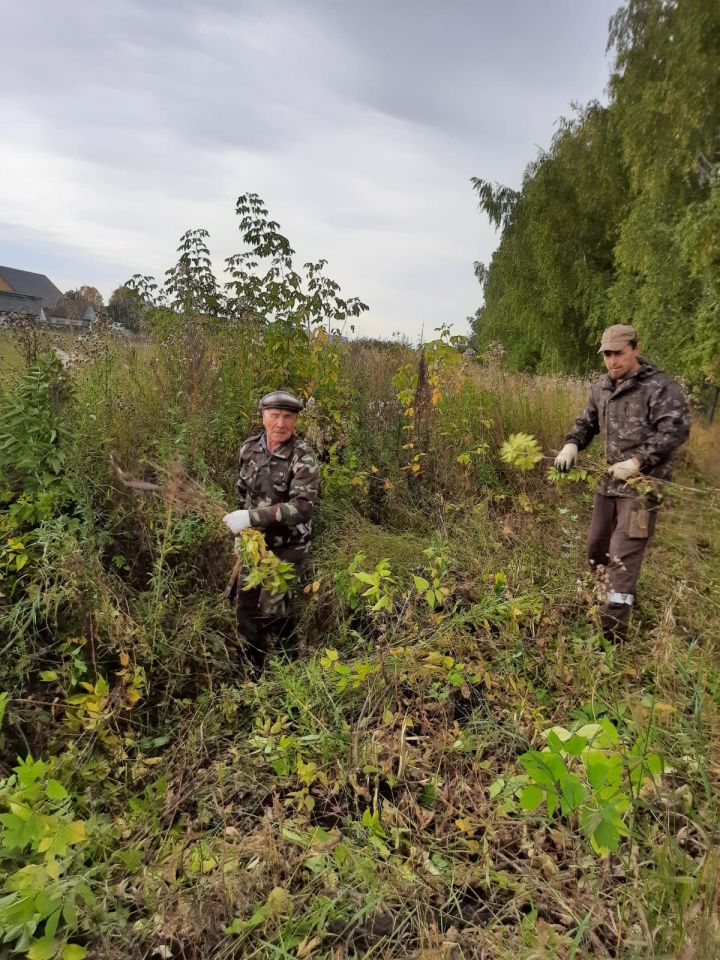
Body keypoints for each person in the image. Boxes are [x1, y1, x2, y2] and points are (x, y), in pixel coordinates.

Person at [554, 324, 690, 642]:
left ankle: (610, 637)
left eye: (619, 353)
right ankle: (606, 600)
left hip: (643, 489)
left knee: (621, 559)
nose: (612, 361)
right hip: (608, 486)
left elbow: (675, 429)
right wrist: (572, 444)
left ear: (635, 349)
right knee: (596, 549)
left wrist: (637, 462)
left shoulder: (659, 387)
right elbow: (586, 422)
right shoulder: (601, 388)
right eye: (607, 354)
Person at [223, 390, 320, 672]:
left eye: (288, 417)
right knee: (246, 606)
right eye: (274, 416)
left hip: (288, 546)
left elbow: (302, 508)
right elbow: (242, 493)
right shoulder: (248, 449)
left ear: (295, 421)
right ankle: (252, 668)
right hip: (255, 545)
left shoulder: (303, 458)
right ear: (263, 416)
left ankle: (292, 667)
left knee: (274, 609)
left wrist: (250, 517)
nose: (281, 423)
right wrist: (240, 532)